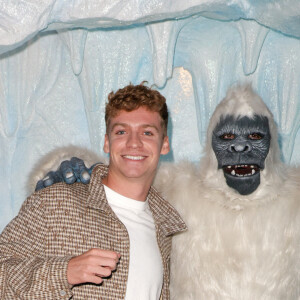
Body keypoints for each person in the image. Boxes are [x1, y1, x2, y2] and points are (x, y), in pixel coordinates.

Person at [35, 84, 300, 299]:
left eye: (254, 137)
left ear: (272, 144)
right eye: (227, 138)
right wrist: (69, 170)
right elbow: (115, 179)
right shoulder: (178, 189)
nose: (239, 149)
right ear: (210, 146)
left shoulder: (295, 198)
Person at [0, 83, 187, 300]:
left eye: (147, 132)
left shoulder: (166, 229)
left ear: (164, 145)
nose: (133, 143)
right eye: (121, 131)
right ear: (107, 143)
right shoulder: (55, 202)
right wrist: (65, 272)